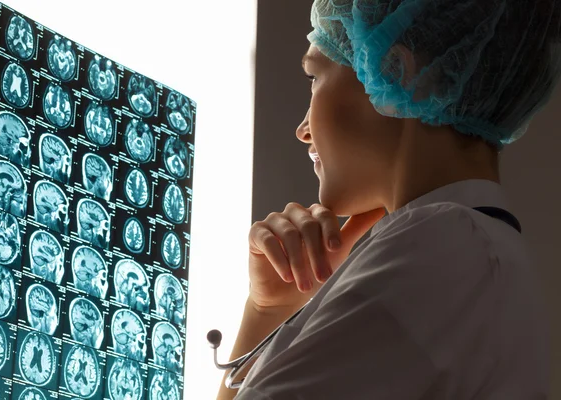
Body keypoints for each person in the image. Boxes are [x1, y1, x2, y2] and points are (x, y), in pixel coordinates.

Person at [218, 0, 561, 399]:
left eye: (314, 76)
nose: (303, 130)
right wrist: (270, 309)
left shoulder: (442, 245)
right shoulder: (471, 247)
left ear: (396, 71)